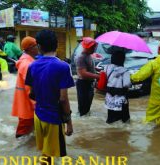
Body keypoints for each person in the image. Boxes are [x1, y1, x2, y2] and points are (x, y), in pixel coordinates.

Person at [25, 30, 74, 163]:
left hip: (38, 115)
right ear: (57, 45)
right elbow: (63, 99)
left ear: (39, 47)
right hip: (53, 118)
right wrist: (69, 123)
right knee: (49, 155)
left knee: (46, 152)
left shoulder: (32, 66)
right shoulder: (63, 67)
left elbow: (32, 93)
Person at [11, 36, 38, 138]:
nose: (38, 47)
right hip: (27, 106)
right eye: (36, 46)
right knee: (22, 136)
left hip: (25, 104)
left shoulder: (27, 61)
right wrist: (36, 104)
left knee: (29, 134)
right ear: (31, 48)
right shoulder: (27, 64)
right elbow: (30, 87)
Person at [104, 49, 131, 124]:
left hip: (109, 96)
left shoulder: (107, 68)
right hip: (120, 96)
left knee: (111, 117)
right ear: (123, 59)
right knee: (124, 119)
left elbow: (105, 78)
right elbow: (126, 84)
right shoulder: (125, 71)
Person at [74, 37, 100, 116]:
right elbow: (83, 73)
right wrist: (97, 76)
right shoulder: (80, 58)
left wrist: (95, 69)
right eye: (92, 47)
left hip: (89, 83)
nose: (94, 49)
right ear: (87, 47)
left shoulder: (89, 56)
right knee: (83, 108)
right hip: (83, 84)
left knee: (87, 105)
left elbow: (88, 68)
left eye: (94, 47)